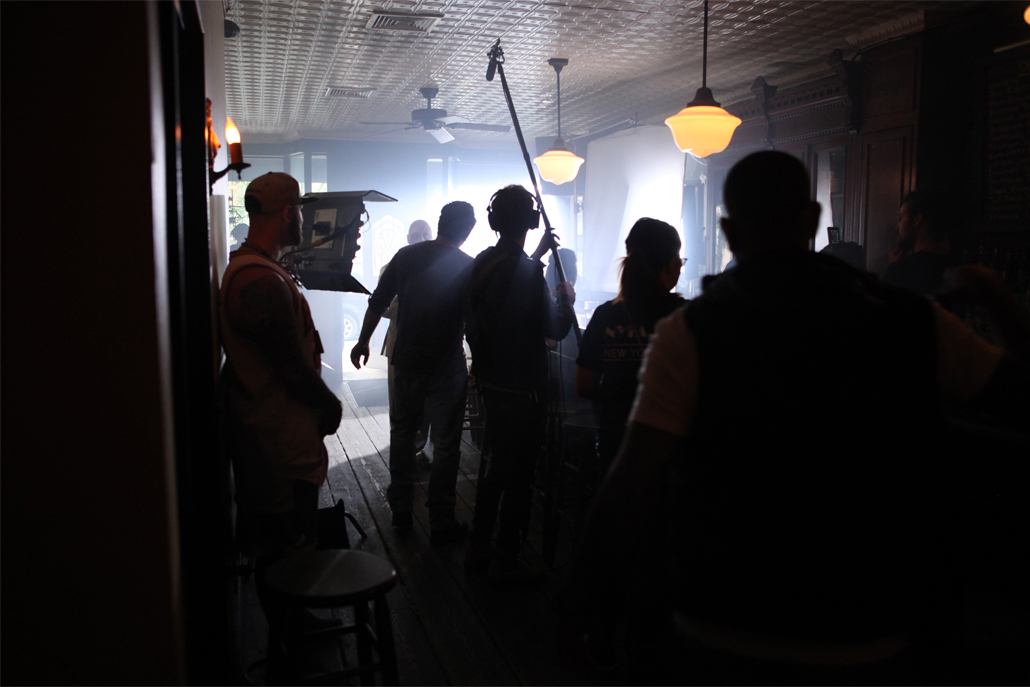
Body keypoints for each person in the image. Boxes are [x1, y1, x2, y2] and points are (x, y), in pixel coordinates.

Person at [557, 151, 1029, 683]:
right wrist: (993, 293)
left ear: (729, 230)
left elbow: (629, 484)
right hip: (870, 622)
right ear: (810, 220)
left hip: (723, 618)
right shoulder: (912, 320)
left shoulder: (691, 331)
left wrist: (574, 608)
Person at [218, 172, 343, 664]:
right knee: (287, 541)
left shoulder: (253, 268)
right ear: (287, 212)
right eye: (299, 212)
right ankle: (292, 647)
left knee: (291, 541)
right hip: (277, 438)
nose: (304, 221)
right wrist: (328, 405)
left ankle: (296, 624)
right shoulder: (258, 282)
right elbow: (289, 367)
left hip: (273, 431)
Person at [464, 185, 577, 584]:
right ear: (531, 222)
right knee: (520, 477)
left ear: (495, 221)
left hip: (492, 384)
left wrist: (539, 257)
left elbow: (508, 285)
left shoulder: (482, 262)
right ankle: (507, 554)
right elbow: (556, 328)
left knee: (497, 468)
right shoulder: (529, 273)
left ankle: (479, 545)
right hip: (525, 391)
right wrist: (566, 298)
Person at [350, 202, 477, 545]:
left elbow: (377, 302)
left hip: (406, 358)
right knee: (447, 445)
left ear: (439, 224)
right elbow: (474, 321)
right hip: (447, 364)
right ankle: (441, 519)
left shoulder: (406, 257)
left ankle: (402, 511)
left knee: (403, 433)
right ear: (468, 232)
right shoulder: (468, 267)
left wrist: (363, 341)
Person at [575, 218, 685, 475]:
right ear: (671, 265)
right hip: (671, 448)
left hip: (615, 442)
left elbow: (583, 385)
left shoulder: (605, 315)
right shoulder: (684, 316)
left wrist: (618, 399)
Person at [381, 219, 434, 469]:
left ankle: (416, 450)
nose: (421, 238)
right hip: (399, 343)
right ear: (407, 237)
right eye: (416, 234)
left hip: (427, 345)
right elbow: (382, 306)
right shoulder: (390, 267)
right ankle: (401, 451)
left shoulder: (438, 268)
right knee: (398, 401)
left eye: (426, 234)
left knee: (424, 403)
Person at [883, 190, 955, 294]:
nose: (897, 226)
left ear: (917, 219)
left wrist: (893, 269)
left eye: (901, 217)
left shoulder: (901, 271)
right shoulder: (954, 269)